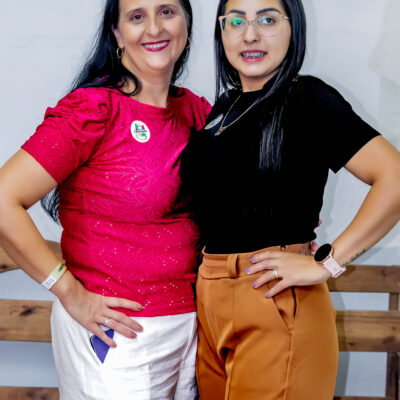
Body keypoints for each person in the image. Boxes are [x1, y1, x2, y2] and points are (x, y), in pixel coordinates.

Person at [181, 0, 400, 399]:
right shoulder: (223, 109)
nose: (250, 34)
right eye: (236, 21)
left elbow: (394, 177)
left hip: (273, 298)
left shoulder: (306, 98)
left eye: (267, 19)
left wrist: (327, 263)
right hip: (209, 300)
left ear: (292, 28)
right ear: (221, 32)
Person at [0, 0, 211, 399]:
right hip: (117, 336)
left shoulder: (196, 112)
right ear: (117, 33)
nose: (154, 28)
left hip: (192, 330)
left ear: (186, 23)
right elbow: (2, 199)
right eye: (136, 16)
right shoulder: (94, 109)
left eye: (167, 11)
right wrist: (69, 292)